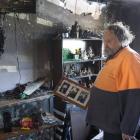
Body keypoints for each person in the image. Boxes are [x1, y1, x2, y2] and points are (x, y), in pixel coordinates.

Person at [86, 22, 140, 140]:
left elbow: (135, 96)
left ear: (122, 39)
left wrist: (128, 129)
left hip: (119, 128)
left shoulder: (130, 58)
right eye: (104, 41)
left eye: (109, 41)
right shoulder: (116, 55)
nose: (105, 45)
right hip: (109, 123)